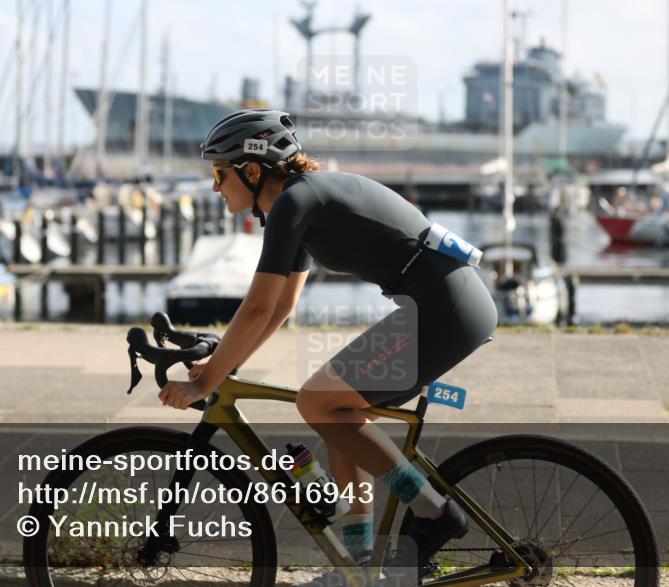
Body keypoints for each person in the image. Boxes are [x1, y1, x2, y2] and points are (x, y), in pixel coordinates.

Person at [158, 110, 497, 584]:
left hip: (445, 308)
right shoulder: (296, 204)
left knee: (316, 400)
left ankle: (434, 512)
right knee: (340, 421)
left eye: (220, 173)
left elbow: (257, 308)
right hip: (444, 304)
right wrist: (222, 366)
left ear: (252, 171)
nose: (216, 186)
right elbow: (280, 308)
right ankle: (359, 570)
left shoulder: (297, 202)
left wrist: (206, 383)